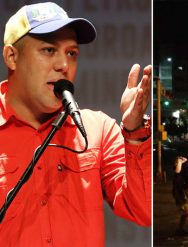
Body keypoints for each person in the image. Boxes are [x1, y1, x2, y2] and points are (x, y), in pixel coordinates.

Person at [0, 2, 151, 247]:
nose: (64, 65)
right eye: (49, 50)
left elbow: (144, 211)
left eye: (71, 53)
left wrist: (134, 133)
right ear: (12, 57)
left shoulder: (99, 130)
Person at [172, 155, 188, 236]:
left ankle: (180, 229)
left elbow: (186, 159)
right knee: (187, 212)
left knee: (187, 212)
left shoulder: (184, 171)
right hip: (182, 195)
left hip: (185, 194)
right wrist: (179, 161)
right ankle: (180, 229)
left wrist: (182, 160)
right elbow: (177, 171)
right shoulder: (178, 172)